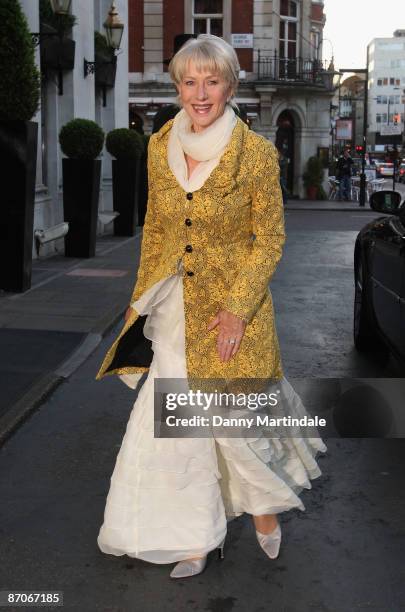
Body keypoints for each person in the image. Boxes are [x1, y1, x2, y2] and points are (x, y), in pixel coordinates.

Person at [95, 34, 327, 579]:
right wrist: (140, 301)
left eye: (212, 81)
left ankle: (264, 509)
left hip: (230, 314)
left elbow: (268, 239)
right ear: (178, 86)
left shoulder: (256, 154)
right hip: (174, 310)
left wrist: (237, 309)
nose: (201, 93)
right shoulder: (159, 146)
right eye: (190, 81)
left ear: (230, 86)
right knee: (180, 434)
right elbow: (157, 227)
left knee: (230, 423)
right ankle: (192, 536)